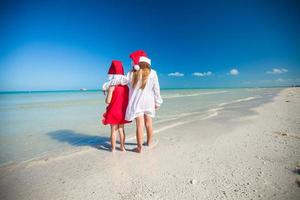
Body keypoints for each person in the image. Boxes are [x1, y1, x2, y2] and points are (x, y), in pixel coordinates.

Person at [125, 50, 163, 153]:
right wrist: (158, 102)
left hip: (137, 102)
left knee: (139, 125)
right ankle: (149, 143)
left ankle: (139, 147)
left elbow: (123, 82)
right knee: (149, 124)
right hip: (149, 102)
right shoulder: (153, 73)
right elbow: (156, 89)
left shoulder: (131, 73)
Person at [102, 60, 130, 152]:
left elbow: (108, 101)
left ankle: (113, 149)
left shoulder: (112, 86)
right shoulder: (126, 87)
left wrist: (106, 94)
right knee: (121, 129)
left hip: (113, 111)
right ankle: (122, 147)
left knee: (113, 130)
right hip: (122, 111)